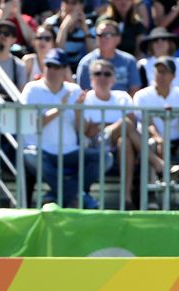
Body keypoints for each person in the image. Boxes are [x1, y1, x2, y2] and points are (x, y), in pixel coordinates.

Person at [21, 48, 111, 208]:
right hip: (42, 151)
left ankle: (56, 194)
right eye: (49, 66)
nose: (52, 71)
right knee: (29, 156)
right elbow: (33, 125)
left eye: (57, 67)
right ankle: (80, 196)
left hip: (71, 151)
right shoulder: (31, 89)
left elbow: (81, 129)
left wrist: (77, 110)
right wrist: (59, 108)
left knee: (105, 158)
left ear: (64, 69)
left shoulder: (74, 90)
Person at [82, 59, 151, 209]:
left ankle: (126, 197)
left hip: (118, 142)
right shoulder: (85, 98)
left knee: (124, 141)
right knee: (124, 125)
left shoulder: (122, 96)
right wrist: (115, 124)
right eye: (97, 73)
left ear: (114, 78)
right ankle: (156, 162)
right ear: (91, 78)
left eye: (107, 74)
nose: (102, 77)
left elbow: (131, 122)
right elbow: (88, 130)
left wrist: (103, 125)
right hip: (95, 144)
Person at [134, 57, 178, 180]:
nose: (160, 75)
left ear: (173, 76)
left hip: (175, 141)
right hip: (150, 141)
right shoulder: (142, 96)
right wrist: (159, 139)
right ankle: (152, 196)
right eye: (158, 71)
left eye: (165, 72)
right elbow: (147, 123)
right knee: (152, 144)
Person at [76, 19, 140, 95]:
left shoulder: (129, 61)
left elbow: (134, 91)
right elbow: (84, 92)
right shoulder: (86, 63)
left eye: (108, 35)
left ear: (118, 39)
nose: (103, 39)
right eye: (100, 35)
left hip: (122, 105)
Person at [43, 0, 96, 70]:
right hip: (56, 66)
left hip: (77, 67)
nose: (69, 6)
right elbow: (58, 53)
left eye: (74, 3)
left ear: (81, 6)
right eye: (66, 2)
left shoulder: (88, 24)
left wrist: (85, 30)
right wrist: (64, 27)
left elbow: (94, 53)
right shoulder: (50, 24)